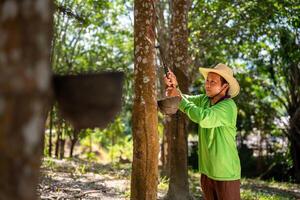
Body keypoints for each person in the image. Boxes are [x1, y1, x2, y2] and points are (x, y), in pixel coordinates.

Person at [164, 63, 241, 200]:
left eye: (213, 82)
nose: (207, 85)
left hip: (226, 174)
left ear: (225, 86)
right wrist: (174, 87)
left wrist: (179, 98)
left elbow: (203, 118)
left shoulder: (228, 106)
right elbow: (184, 99)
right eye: (207, 80)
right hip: (207, 172)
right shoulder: (205, 100)